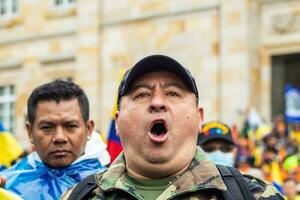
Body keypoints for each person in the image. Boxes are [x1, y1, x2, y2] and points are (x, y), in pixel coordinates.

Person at [62, 55, 283, 199]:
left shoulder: (253, 195)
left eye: (172, 93)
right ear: (117, 122)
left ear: (199, 118)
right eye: (142, 94)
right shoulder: (78, 196)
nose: (158, 102)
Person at [0, 80, 110, 200]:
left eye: (70, 126)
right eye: (47, 127)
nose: (59, 137)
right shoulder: (6, 185)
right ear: (30, 131)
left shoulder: (113, 188)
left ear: (88, 129)